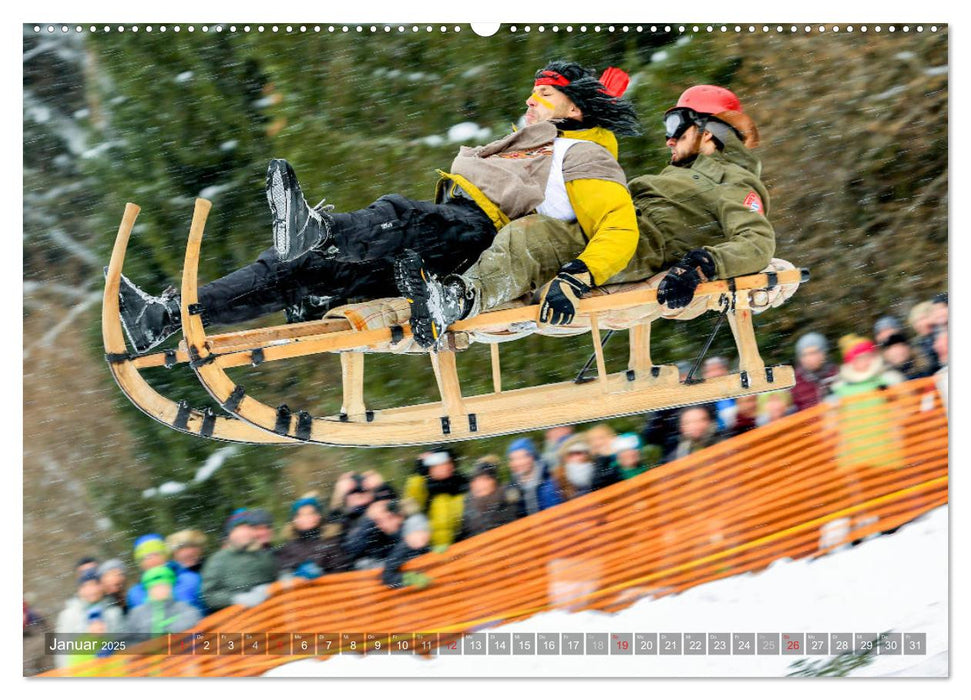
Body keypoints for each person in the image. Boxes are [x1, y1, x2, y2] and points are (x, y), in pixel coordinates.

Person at [115, 61, 640, 353]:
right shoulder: (533, 141)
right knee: (295, 271)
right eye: (532, 94)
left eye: (543, 97)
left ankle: (318, 229)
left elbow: (618, 228)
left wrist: (577, 277)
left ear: (575, 108)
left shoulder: (583, 152)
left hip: (479, 238)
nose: (529, 101)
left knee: (403, 217)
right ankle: (164, 318)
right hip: (436, 254)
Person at [401, 83, 774, 347]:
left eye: (676, 126)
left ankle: (453, 301)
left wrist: (700, 267)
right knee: (494, 223)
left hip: (638, 245)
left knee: (532, 236)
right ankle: (413, 279)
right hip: (609, 230)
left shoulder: (733, 181)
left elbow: (757, 242)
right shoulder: (677, 174)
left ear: (710, 133)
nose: (668, 139)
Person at [200, 510, 278, 611]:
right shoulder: (218, 559)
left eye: (249, 527)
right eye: (239, 528)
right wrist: (236, 598)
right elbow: (208, 596)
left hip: (268, 611)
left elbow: (275, 579)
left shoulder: (264, 555)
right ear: (230, 534)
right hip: (236, 618)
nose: (245, 532)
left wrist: (269, 588)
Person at [54, 569, 124, 668]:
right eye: (85, 586)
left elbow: (122, 641)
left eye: (94, 584)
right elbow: (62, 650)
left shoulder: (113, 613)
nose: (91, 590)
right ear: (79, 590)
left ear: (101, 587)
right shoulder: (69, 615)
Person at [403, 448, 468, 549]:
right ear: (430, 468)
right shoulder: (424, 487)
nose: (447, 467)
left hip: (464, 542)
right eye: (441, 464)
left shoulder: (462, 483)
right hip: (435, 548)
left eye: (449, 463)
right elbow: (410, 506)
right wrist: (418, 472)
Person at [275, 494, 348, 579]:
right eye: (301, 515)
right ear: (294, 520)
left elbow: (341, 569)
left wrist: (321, 575)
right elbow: (283, 570)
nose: (306, 518)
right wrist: (294, 575)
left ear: (318, 516)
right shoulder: (287, 548)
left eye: (311, 513)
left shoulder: (331, 542)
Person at [125, 566, 202, 636]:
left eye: (165, 586)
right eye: (155, 587)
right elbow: (129, 637)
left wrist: (166, 632)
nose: (160, 590)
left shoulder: (182, 607)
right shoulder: (137, 613)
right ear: (148, 590)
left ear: (171, 588)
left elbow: (193, 618)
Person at [458, 456, 521, 540]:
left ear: (494, 482)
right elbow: (465, 532)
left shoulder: (506, 499)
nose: (480, 484)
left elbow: (511, 526)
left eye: (485, 479)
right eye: (476, 480)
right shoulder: (468, 503)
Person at [343, 498, 405, 570]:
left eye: (381, 520)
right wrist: (368, 520)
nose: (379, 525)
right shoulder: (379, 533)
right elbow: (352, 549)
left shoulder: (409, 532)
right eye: (377, 521)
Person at [506, 437, 563, 516]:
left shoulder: (549, 479)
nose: (517, 463)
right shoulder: (512, 489)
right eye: (513, 459)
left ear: (532, 457)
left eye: (521, 458)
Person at [553, 435, 620, 498]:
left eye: (581, 452)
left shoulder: (601, 471)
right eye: (572, 453)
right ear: (564, 458)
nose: (578, 457)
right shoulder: (556, 483)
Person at [381, 513, 433, 590]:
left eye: (422, 531)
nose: (420, 536)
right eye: (416, 532)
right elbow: (387, 576)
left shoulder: (431, 543)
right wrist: (413, 578)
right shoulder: (403, 548)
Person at [791, 331, 838, 412]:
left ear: (824, 353)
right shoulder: (795, 382)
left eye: (813, 353)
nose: (809, 358)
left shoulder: (836, 374)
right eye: (804, 355)